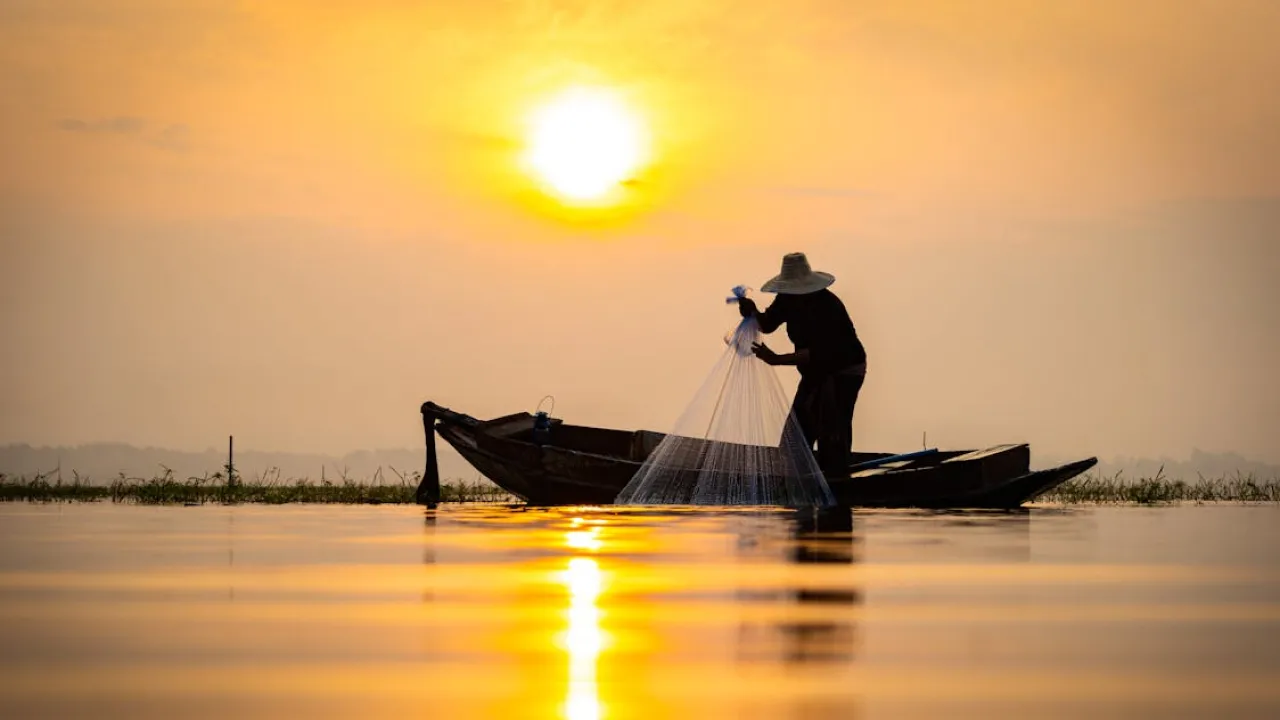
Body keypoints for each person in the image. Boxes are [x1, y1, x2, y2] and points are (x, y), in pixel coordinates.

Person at [738, 252, 867, 477]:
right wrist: (752, 312)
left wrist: (777, 359)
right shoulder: (787, 300)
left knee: (832, 429)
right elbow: (768, 324)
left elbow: (818, 353)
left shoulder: (827, 305)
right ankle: (803, 482)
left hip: (844, 370)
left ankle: (836, 480)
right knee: (797, 433)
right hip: (815, 372)